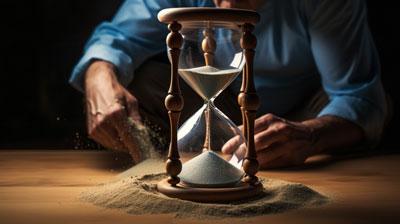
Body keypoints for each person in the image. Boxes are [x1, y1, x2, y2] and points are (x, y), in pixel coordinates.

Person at [70, 0, 389, 168]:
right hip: (223, 101)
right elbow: (117, 38)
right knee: (142, 79)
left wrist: (311, 135)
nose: (226, 4)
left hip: (305, 109)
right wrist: (98, 73)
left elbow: (357, 94)